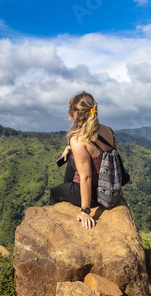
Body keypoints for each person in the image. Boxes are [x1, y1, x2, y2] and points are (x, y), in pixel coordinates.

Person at [49, 91, 118, 229]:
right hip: (110, 186)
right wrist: (71, 150)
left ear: (75, 113)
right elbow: (102, 157)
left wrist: (85, 210)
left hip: (94, 195)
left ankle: (56, 223)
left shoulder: (78, 139)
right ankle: (69, 193)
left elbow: (86, 177)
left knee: (54, 192)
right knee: (72, 161)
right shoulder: (108, 130)